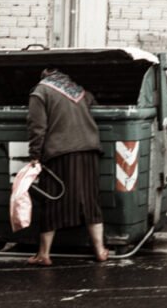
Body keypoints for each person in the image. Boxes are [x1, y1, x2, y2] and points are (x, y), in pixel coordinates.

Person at [26, 67, 108, 266]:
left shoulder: (40, 91)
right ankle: (100, 250)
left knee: (53, 199)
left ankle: (43, 254)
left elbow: (37, 126)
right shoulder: (79, 90)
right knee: (90, 199)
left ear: (44, 76)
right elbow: (94, 103)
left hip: (60, 152)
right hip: (89, 149)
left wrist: (35, 155)